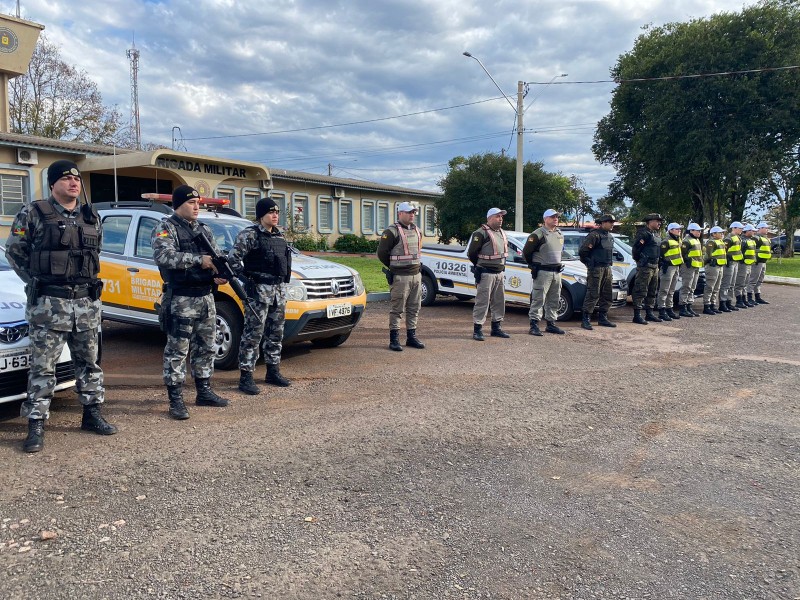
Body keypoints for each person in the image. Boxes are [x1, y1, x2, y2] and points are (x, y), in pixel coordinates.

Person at [5, 160, 116, 453]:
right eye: (66, 178)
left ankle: (92, 415)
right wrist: (37, 281)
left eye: (76, 179)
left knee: (89, 364)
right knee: (43, 368)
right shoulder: (33, 213)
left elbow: (95, 253)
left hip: (86, 303)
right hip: (49, 304)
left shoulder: (92, 216)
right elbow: (15, 252)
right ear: (53, 184)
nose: (73, 182)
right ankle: (36, 425)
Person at [152, 185, 230, 419]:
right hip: (181, 298)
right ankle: (176, 399)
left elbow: (214, 257)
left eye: (198, 203)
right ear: (178, 205)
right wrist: (199, 260)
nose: (197, 207)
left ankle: (203, 391)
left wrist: (219, 272)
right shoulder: (166, 227)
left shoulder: (204, 230)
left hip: (205, 297)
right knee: (177, 350)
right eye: (191, 203)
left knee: (206, 347)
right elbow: (163, 256)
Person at [228, 197, 293, 395]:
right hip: (258, 293)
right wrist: (247, 279)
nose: (275, 215)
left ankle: (273, 371)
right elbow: (233, 260)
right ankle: (246, 376)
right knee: (252, 334)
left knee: (275, 333)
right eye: (270, 212)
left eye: (277, 212)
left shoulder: (279, 236)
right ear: (261, 215)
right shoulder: (250, 235)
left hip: (278, 293)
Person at [377, 201, 425, 352]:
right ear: (400, 213)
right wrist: (394, 267)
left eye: (414, 212)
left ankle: (411, 337)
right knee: (397, 309)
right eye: (409, 212)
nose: (412, 215)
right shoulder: (391, 232)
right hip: (400, 276)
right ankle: (394, 339)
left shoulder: (417, 230)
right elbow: (382, 254)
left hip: (416, 275)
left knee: (414, 307)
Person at [467, 207, 510, 341]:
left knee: (499, 302)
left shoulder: (502, 232)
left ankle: (496, 328)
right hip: (486, 273)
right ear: (490, 218)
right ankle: (478, 329)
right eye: (498, 216)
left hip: (499, 273)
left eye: (501, 217)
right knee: (482, 302)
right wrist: (480, 266)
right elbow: (472, 253)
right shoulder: (480, 233)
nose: (501, 219)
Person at [523, 209, 565, 336]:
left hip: (556, 272)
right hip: (543, 272)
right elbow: (526, 253)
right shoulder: (537, 235)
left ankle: (551, 323)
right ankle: (534, 324)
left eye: (557, 216)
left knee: (554, 298)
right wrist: (533, 265)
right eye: (552, 217)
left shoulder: (559, 234)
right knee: (538, 298)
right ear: (545, 219)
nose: (556, 218)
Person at [577, 214, 617, 330]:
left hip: (607, 268)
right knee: (593, 294)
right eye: (610, 222)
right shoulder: (594, 235)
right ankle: (586, 319)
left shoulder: (610, 236)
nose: (612, 224)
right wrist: (590, 264)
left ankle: (603, 317)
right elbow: (583, 252)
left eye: (613, 222)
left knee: (607, 294)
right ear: (603, 223)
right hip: (596, 269)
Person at [630, 213, 664, 324]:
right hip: (645, 267)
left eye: (660, 221)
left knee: (652, 291)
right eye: (657, 221)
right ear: (650, 222)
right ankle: (637, 315)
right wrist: (640, 261)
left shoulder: (657, 234)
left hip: (655, 267)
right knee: (641, 290)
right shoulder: (643, 234)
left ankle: (649, 313)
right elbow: (636, 250)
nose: (659, 223)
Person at [655, 222, 684, 321]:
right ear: (671, 230)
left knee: (671, 290)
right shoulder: (666, 241)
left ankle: (669, 308)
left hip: (676, 267)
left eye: (679, 229)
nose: (679, 231)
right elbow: (661, 255)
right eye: (677, 229)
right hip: (668, 268)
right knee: (664, 290)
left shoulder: (678, 240)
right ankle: (661, 310)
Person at [678, 222, 703, 317]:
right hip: (688, 267)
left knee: (692, 287)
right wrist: (687, 260)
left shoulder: (696, 240)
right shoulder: (686, 241)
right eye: (698, 231)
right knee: (686, 287)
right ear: (691, 231)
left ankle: (689, 306)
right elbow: (682, 254)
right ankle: (683, 307)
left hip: (696, 266)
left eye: (700, 231)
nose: (699, 232)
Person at [719, 221, 744, 312]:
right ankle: (723, 302)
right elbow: (723, 251)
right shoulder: (729, 238)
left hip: (735, 262)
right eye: (740, 228)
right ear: (734, 228)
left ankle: (729, 302)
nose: (741, 230)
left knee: (732, 284)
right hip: (729, 263)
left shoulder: (737, 238)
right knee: (726, 284)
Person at [702, 226, 727, 315]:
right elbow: (708, 255)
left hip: (720, 266)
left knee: (716, 287)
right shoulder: (711, 242)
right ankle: (707, 305)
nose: (722, 234)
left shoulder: (720, 241)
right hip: (713, 266)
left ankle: (713, 304)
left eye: (722, 233)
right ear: (713, 234)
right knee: (710, 287)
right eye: (720, 233)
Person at [748, 222, 772, 305]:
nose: (767, 229)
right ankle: (749, 297)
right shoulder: (756, 238)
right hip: (757, 262)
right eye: (765, 228)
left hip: (763, 262)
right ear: (760, 228)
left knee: (759, 280)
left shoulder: (766, 238)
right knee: (753, 280)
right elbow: (752, 249)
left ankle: (757, 297)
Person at [735, 224, 758, 308]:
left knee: (745, 283)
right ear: (747, 231)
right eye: (752, 231)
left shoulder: (751, 240)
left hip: (749, 264)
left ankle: (744, 299)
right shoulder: (743, 241)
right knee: (740, 283)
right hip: (743, 264)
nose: (754, 232)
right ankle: (739, 300)